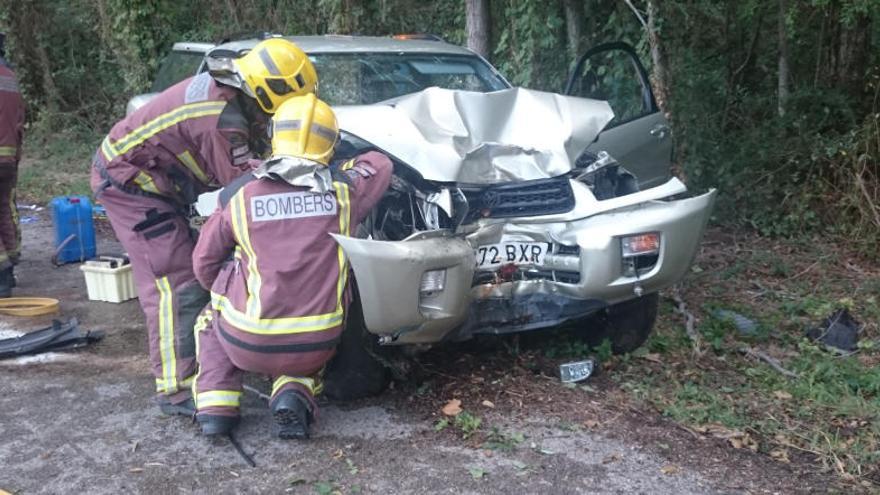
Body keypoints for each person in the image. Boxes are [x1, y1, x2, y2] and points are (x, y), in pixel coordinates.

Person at [90, 38, 318, 415]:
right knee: (175, 280)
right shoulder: (223, 122)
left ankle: (204, 365)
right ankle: (176, 389)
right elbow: (248, 191)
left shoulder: (234, 84)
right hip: (131, 184)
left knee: (194, 267)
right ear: (266, 93)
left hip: (157, 180)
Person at [190, 93, 392, 439]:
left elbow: (204, 264)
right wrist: (341, 165)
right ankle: (292, 394)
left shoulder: (240, 196)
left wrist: (227, 286)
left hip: (247, 342)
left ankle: (216, 409)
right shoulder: (344, 195)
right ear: (332, 142)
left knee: (211, 317)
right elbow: (380, 164)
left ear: (273, 136)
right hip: (319, 340)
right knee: (299, 349)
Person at [0, 33, 25, 297]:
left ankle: (2, 280)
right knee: (4, 208)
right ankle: (9, 269)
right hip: (9, 157)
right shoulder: (9, 76)